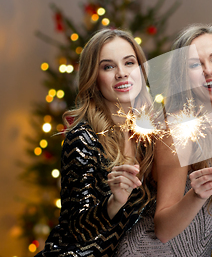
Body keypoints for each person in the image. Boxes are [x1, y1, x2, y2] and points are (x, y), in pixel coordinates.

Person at [115, 24, 212, 257]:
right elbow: (163, 229)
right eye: (195, 64)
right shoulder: (178, 129)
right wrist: (196, 195)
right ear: (182, 76)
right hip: (150, 251)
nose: (209, 70)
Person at [36, 29, 155, 257]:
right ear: (94, 77)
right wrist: (114, 201)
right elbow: (76, 229)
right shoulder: (81, 137)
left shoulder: (152, 136)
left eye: (129, 63)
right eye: (108, 67)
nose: (121, 73)